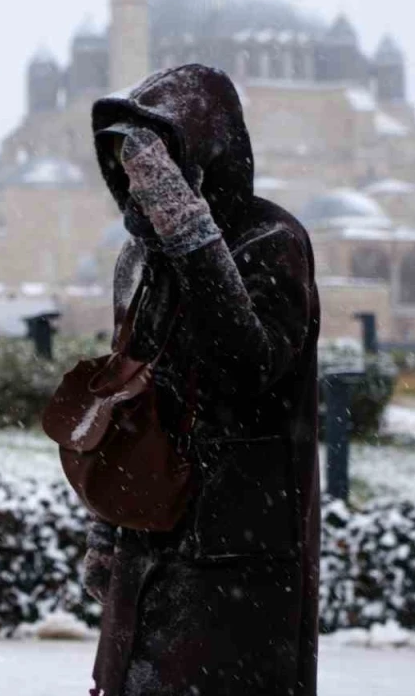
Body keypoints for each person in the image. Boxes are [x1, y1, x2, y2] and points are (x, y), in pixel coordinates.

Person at [83, 64, 321, 696]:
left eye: (157, 165)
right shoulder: (143, 257)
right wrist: (107, 530)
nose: (145, 187)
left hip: (237, 548)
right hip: (149, 541)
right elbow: (128, 396)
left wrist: (191, 234)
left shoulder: (272, 240)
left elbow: (245, 367)